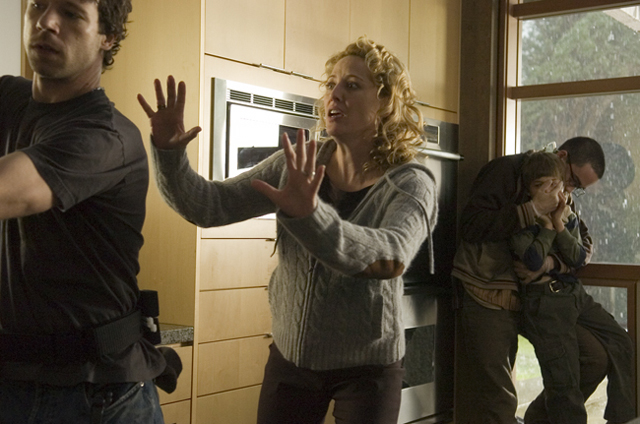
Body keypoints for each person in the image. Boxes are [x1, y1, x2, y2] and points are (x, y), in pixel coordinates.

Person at [138, 36, 438, 424]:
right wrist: (169, 154)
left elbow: (390, 256)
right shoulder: (297, 163)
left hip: (369, 367)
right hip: (293, 359)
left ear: (385, 102)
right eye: (331, 84)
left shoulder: (411, 182)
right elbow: (210, 205)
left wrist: (310, 215)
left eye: (352, 85)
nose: (335, 94)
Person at [0, 1, 167, 423]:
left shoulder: (105, 136)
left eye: (71, 13)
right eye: (38, 5)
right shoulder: (9, 98)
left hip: (98, 395)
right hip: (16, 380)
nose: (46, 22)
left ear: (107, 37)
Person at [451, 137, 635, 424]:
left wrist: (552, 263)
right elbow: (471, 226)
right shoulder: (507, 172)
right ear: (562, 157)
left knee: (595, 358)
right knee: (498, 397)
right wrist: (533, 209)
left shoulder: (560, 191)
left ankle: (537, 419)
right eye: (573, 180)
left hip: (542, 296)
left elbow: (584, 245)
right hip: (489, 291)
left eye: (578, 188)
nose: (570, 190)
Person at [510, 151, 634, 424]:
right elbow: (532, 260)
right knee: (564, 380)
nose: (554, 190)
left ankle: (623, 418)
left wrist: (557, 231)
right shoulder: (523, 215)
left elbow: (579, 255)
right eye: (542, 185)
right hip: (545, 302)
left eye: (557, 184)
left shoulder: (567, 210)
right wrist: (548, 228)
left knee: (621, 341)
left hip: (573, 293)